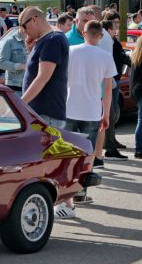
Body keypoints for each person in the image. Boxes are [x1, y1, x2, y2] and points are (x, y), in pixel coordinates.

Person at [54, 21, 116, 219]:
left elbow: (60, 80)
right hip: (92, 111)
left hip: (70, 108)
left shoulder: (71, 51)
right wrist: (106, 114)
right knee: (85, 157)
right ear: (100, 36)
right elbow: (108, 90)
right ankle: (80, 191)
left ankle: (66, 199)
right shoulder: (106, 57)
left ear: (83, 33)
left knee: (66, 155)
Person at [20, 7, 69, 129]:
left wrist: (19, 104)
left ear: (34, 19)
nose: (25, 32)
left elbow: (43, 77)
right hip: (41, 114)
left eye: (24, 27)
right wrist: (30, 49)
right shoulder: (45, 40)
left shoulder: (53, 40)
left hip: (47, 115)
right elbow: (35, 70)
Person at [102, 14, 130, 160]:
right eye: (115, 24)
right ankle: (109, 146)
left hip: (115, 78)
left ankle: (111, 141)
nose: (117, 28)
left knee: (111, 114)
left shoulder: (112, 40)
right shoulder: (106, 41)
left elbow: (120, 56)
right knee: (109, 114)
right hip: (111, 80)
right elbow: (113, 58)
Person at [0, 26, 27, 94]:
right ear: (21, 26)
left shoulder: (34, 40)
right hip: (14, 87)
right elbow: (1, 63)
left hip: (30, 86)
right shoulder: (10, 41)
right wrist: (21, 66)